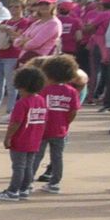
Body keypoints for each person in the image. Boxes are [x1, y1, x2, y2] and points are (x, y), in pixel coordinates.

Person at [0, 67, 48, 200]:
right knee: (28, 166)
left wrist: (8, 137)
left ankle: (13, 191)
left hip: (21, 140)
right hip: (35, 139)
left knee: (18, 167)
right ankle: (24, 188)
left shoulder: (22, 103)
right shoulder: (41, 100)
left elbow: (15, 123)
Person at [31, 54, 83, 193]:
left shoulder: (43, 89)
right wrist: (65, 123)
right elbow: (73, 111)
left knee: (36, 155)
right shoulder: (72, 91)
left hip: (42, 129)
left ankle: (28, 181)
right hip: (60, 130)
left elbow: (37, 107)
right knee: (57, 157)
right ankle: (54, 183)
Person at [0, 0, 31, 119]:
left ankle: (10, 110)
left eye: (17, 7)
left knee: (11, 84)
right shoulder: (6, 21)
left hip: (13, 55)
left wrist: (8, 30)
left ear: (22, 8)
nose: (14, 9)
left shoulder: (24, 22)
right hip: (1, 53)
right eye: (12, 7)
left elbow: (21, 37)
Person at [14, 0, 62, 64]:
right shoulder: (37, 22)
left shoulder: (53, 23)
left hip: (40, 62)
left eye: (47, 4)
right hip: (26, 59)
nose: (43, 6)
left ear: (53, 5)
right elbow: (17, 41)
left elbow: (35, 43)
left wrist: (24, 42)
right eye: (41, 4)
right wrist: (24, 41)